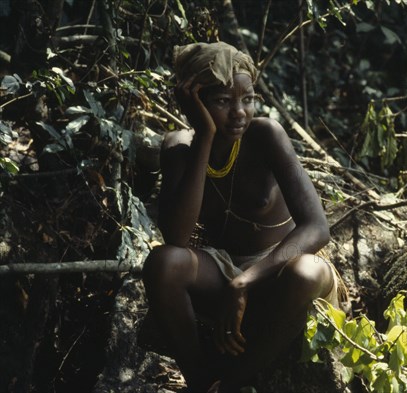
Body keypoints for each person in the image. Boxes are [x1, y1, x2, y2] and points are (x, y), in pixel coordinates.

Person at [142, 41, 343, 392]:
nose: (239, 112)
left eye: (247, 98)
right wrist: (204, 135)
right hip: (222, 269)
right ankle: (200, 380)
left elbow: (317, 227)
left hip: (280, 267)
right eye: (222, 101)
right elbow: (176, 237)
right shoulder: (179, 147)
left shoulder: (265, 135)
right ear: (195, 102)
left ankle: (231, 384)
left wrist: (245, 281)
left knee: (308, 272)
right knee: (163, 262)